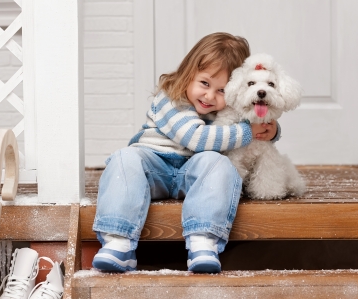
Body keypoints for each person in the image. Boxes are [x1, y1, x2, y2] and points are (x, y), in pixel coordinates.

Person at [91, 32, 279, 274]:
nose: (210, 96)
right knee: (124, 159)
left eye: (222, 90)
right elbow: (197, 138)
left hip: (194, 173)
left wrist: (269, 130)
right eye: (204, 83)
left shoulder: (229, 107)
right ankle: (119, 243)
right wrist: (248, 131)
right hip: (154, 166)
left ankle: (203, 242)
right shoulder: (171, 98)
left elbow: (253, 120)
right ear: (189, 73)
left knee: (220, 165)